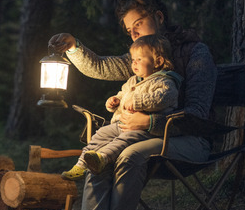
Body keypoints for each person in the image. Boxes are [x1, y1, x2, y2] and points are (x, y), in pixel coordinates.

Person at [48, 0, 217, 210]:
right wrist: (74, 47)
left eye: (138, 25)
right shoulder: (141, 57)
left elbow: (198, 116)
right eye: (129, 31)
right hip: (142, 137)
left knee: (129, 155)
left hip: (191, 141)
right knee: (102, 153)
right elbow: (101, 66)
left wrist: (150, 123)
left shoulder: (195, 52)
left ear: (159, 17)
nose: (134, 34)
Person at [61, 35, 183, 181]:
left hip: (144, 130)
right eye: (133, 59)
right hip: (122, 124)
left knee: (123, 140)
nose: (134, 63)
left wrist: (138, 102)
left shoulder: (165, 81)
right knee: (100, 134)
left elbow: (163, 98)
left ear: (158, 61)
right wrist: (115, 101)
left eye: (139, 59)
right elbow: (122, 94)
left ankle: (102, 158)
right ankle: (81, 165)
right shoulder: (132, 80)